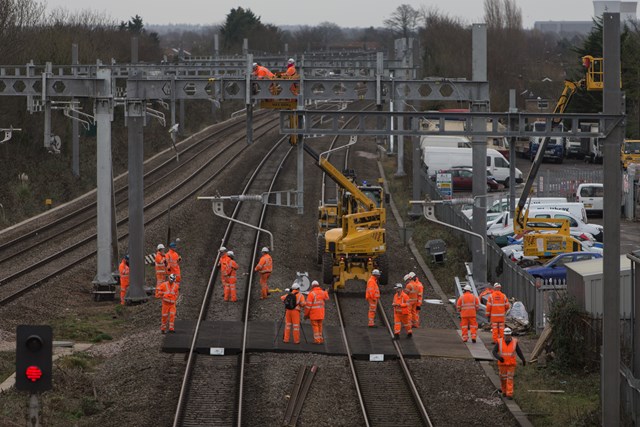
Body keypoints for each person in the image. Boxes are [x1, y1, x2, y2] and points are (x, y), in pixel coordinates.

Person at [492, 327, 526, 399]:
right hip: (502, 364)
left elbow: (519, 352)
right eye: (506, 335)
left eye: (508, 335)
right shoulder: (499, 342)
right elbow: (494, 352)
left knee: (510, 379)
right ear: (504, 335)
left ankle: (509, 394)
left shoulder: (514, 342)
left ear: (510, 335)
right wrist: (499, 358)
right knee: (503, 379)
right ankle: (504, 392)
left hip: (511, 364)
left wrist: (523, 359)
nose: (507, 337)